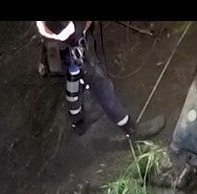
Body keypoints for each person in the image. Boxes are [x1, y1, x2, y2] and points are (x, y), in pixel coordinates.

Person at [35, 21, 164, 139]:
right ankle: (131, 129)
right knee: (102, 87)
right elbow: (67, 32)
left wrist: (43, 58)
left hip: (59, 48)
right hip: (74, 49)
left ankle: (79, 123)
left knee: (74, 81)